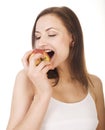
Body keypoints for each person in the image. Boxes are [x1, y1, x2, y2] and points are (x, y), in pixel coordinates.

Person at [6, 6, 105, 130]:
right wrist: (43, 94)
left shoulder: (94, 84)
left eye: (51, 34)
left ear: (72, 39)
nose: (41, 43)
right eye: (37, 37)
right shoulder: (26, 79)